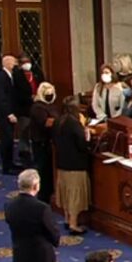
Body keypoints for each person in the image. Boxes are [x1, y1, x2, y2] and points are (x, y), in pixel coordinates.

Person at [4, 169, 60, 262]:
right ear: (35, 186)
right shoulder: (42, 208)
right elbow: (52, 233)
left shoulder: (9, 205)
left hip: (22, 258)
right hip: (42, 260)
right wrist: (56, 241)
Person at [54, 96, 91, 235]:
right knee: (74, 196)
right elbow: (82, 145)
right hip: (75, 165)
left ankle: (67, 219)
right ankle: (74, 225)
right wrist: (85, 133)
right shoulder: (75, 124)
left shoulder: (59, 121)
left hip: (62, 163)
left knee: (66, 194)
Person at [29, 82, 59, 204]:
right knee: (43, 171)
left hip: (51, 143)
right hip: (41, 144)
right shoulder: (37, 107)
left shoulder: (52, 105)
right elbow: (46, 123)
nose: (50, 96)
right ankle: (43, 198)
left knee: (50, 171)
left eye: (51, 93)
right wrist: (59, 122)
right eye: (47, 94)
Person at [14, 53, 46, 165]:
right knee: (24, 132)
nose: (26, 64)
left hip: (38, 107)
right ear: (20, 64)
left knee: (37, 132)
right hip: (24, 108)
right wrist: (29, 98)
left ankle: (38, 155)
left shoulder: (37, 72)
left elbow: (44, 86)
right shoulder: (17, 75)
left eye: (28, 61)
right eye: (23, 62)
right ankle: (25, 155)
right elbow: (16, 93)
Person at [0, 54, 24, 175]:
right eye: (13, 62)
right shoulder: (1, 77)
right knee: (6, 140)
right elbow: (2, 98)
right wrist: (9, 113)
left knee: (9, 140)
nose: (15, 64)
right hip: (4, 115)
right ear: (6, 63)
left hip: (9, 113)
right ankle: (6, 167)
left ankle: (10, 163)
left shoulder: (10, 76)